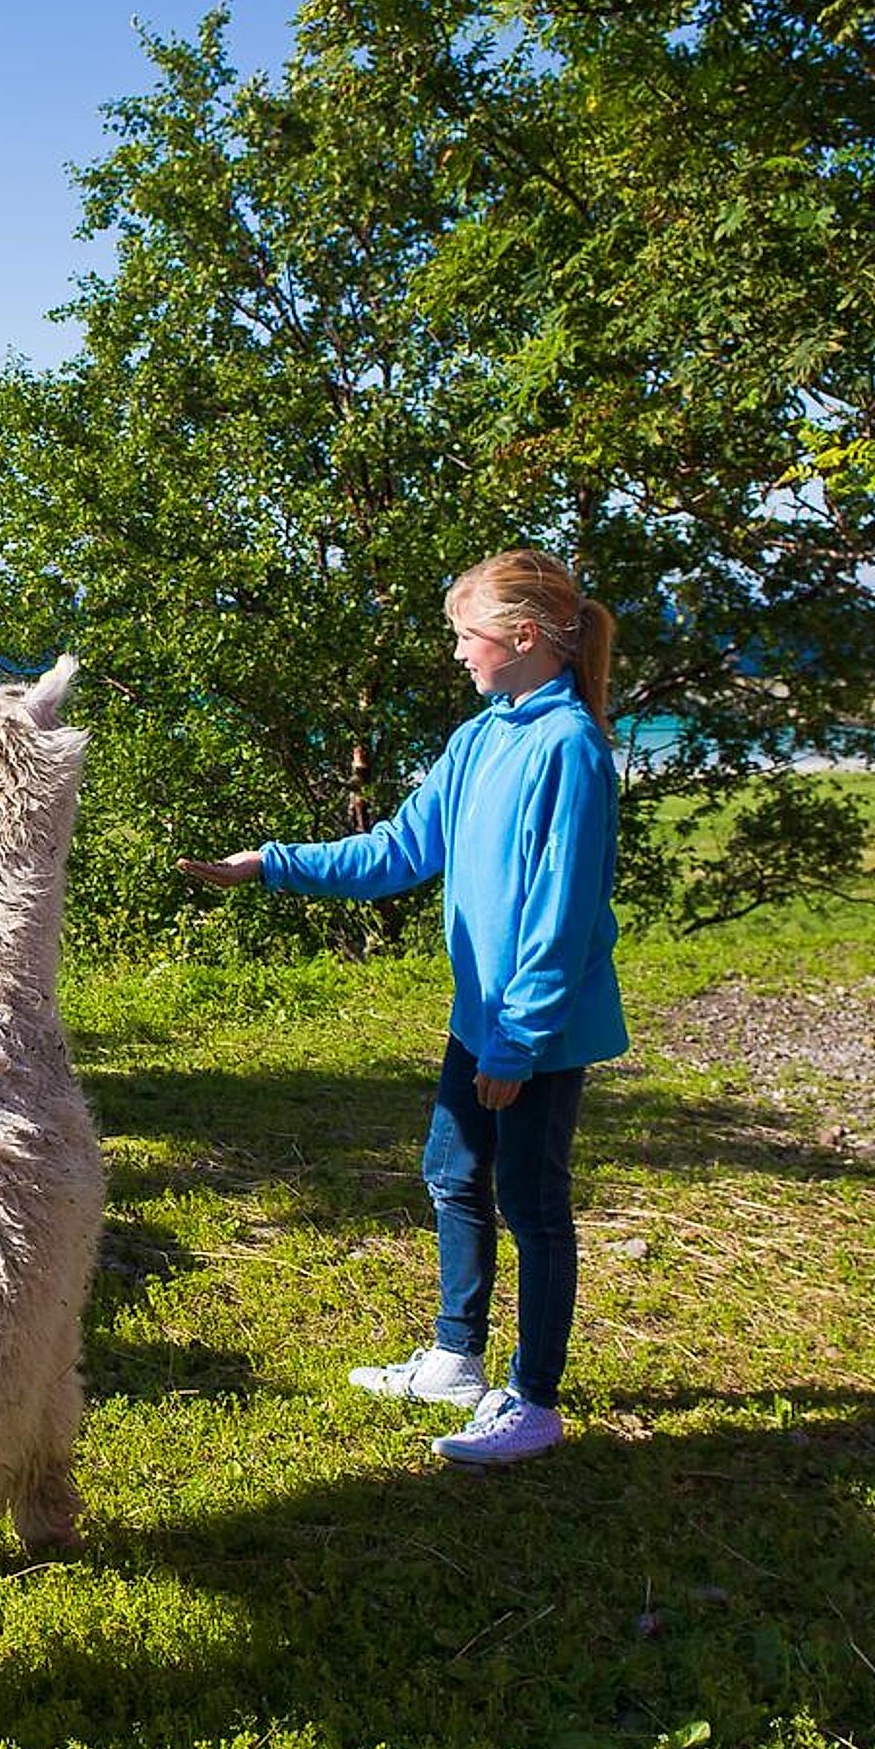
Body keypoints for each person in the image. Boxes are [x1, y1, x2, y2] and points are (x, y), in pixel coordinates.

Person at [176, 549, 627, 1466]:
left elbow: (562, 915)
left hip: (531, 1031)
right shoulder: (483, 736)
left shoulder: (568, 751)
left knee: (532, 1205)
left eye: (468, 635)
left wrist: (518, 1045)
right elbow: (397, 851)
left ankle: (533, 1401)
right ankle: (458, 1357)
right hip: (484, 1019)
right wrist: (271, 863)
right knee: (453, 1177)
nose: (458, 652)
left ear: (524, 636)